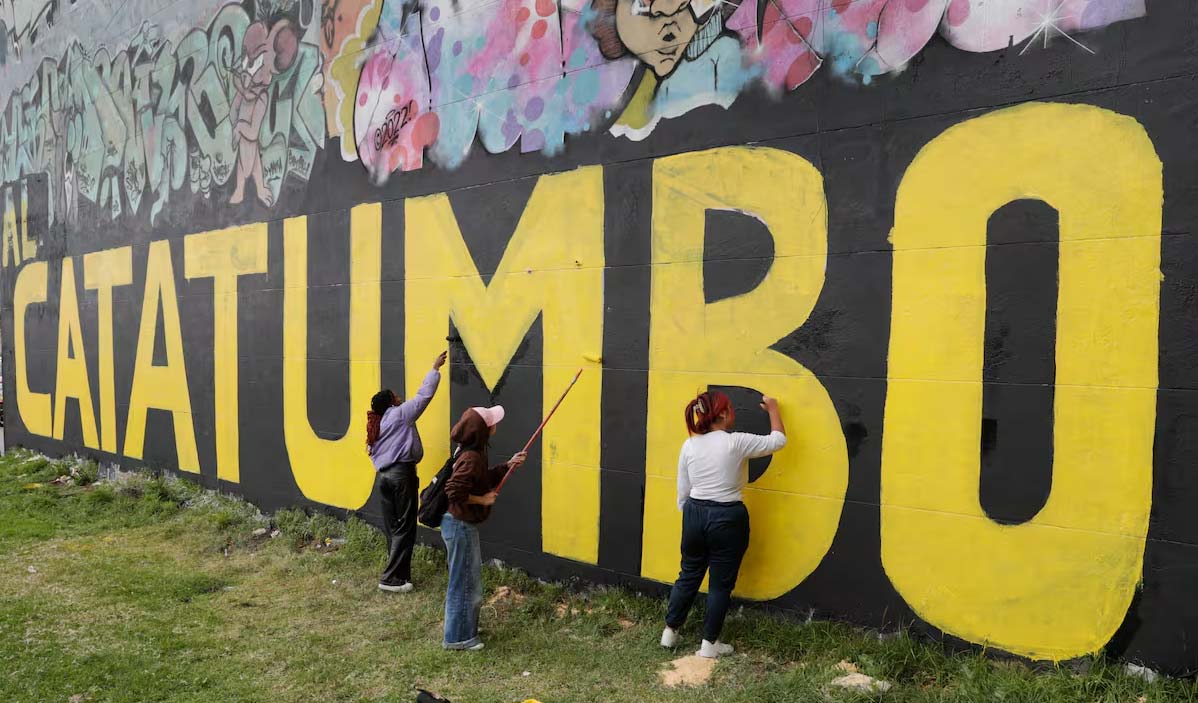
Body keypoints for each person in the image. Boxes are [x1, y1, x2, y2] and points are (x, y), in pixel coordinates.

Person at [660, 390, 786, 658]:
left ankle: (670, 633)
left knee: (689, 574)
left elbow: (683, 491)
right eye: (731, 409)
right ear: (724, 414)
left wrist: (694, 516)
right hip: (727, 516)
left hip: (694, 512)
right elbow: (778, 441)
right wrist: (774, 410)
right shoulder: (735, 442)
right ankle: (709, 645)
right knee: (719, 584)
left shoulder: (690, 445)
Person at [441, 406, 527, 651]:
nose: (495, 425)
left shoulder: (471, 451)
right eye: (491, 423)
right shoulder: (471, 457)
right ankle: (458, 639)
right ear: (484, 430)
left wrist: (508, 465)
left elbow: (481, 479)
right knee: (465, 582)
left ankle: (463, 629)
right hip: (459, 525)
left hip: (459, 524)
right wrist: (481, 500)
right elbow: (454, 492)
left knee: (466, 580)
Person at [366, 351, 448, 593]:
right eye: (396, 397)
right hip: (401, 476)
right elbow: (423, 396)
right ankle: (391, 578)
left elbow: (372, 452)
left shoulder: (376, 425)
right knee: (405, 526)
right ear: (391, 402)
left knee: (393, 527)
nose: (400, 398)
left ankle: (399, 575)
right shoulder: (399, 415)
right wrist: (434, 369)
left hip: (383, 478)